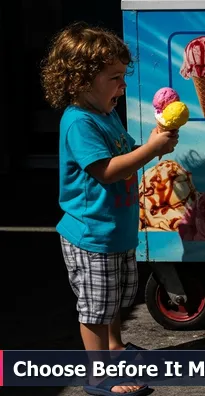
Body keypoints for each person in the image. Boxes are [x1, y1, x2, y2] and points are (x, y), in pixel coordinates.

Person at [41, 21, 177, 395]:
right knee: (95, 309)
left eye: (123, 76)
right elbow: (107, 170)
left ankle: (115, 348)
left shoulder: (105, 114)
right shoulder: (79, 123)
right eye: (114, 78)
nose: (123, 86)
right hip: (91, 235)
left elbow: (126, 151)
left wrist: (152, 142)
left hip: (115, 229)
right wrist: (152, 150)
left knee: (114, 301)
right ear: (81, 81)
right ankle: (99, 375)